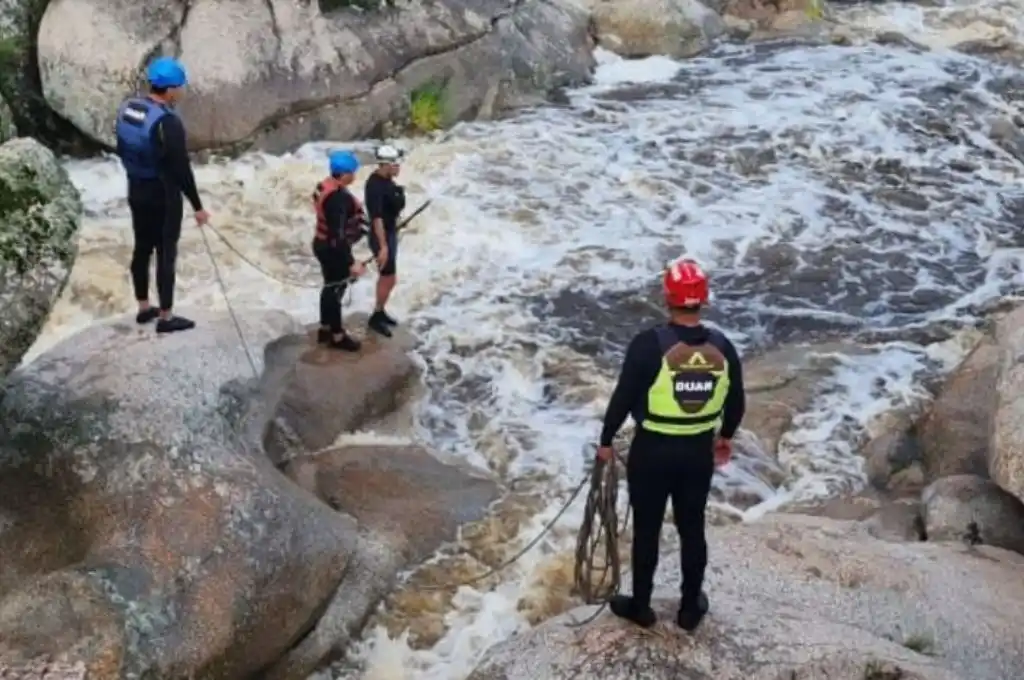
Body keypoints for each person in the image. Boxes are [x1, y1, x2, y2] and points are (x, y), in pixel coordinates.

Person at [596, 258, 745, 632]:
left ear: (667, 298)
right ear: (704, 299)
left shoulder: (648, 345)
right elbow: (736, 401)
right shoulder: (723, 348)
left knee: (647, 529)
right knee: (692, 528)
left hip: (652, 451)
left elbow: (624, 397)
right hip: (697, 453)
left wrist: (606, 440)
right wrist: (724, 437)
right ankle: (690, 607)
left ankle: (641, 606)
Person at [114, 55, 209, 334]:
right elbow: (181, 168)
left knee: (142, 247)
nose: (181, 91)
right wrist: (198, 206)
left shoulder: (129, 108)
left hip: (136, 188)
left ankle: (144, 308)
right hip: (163, 194)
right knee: (166, 252)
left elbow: (121, 146)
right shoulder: (168, 122)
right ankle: (166, 317)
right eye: (180, 86)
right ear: (169, 90)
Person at [312, 150, 367, 351]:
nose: (355, 176)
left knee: (328, 287)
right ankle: (337, 336)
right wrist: (351, 262)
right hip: (332, 248)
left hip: (320, 243)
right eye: (353, 172)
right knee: (336, 290)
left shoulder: (324, 185)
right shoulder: (337, 198)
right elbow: (338, 236)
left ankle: (325, 328)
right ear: (344, 174)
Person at [364, 144, 406, 337]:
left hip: (389, 232)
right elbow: (376, 219)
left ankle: (380, 311)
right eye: (396, 164)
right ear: (386, 165)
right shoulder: (374, 186)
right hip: (380, 235)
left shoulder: (387, 180)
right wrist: (382, 247)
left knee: (390, 277)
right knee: (388, 276)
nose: (399, 167)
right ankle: (376, 316)